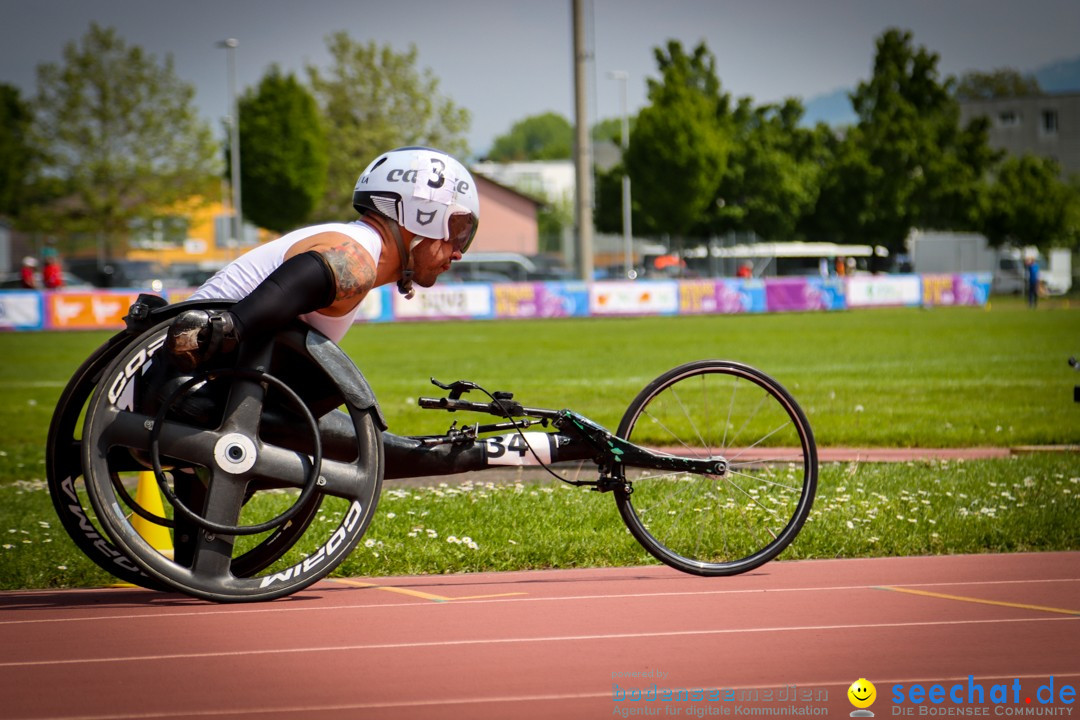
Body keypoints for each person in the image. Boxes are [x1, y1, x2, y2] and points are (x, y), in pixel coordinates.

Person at [165, 146, 479, 370]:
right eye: (458, 231)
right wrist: (231, 326)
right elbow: (312, 274)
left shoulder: (357, 248)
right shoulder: (355, 255)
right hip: (166, 374)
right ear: (423, 215)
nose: (457, 252)